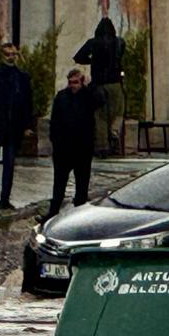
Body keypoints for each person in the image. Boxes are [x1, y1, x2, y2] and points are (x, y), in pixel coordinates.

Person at [0, 42, 34, 210]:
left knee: (9, 164)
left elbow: (27, 104)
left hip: (13, 126)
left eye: (13, 54)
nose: (11, 57)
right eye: (8, 54)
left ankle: (4, 199)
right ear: (1, 56)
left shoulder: (22, 77)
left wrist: (27, 125)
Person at [45, 69, 104, 220]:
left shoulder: (88, 96)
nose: (73, 86)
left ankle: (79, 216)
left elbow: (100, 101)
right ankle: (53, 213)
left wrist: (91, 85)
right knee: (59, 183)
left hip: (82, 147)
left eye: (76, 82)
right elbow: (55, 120)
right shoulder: (62, 96)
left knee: (82, 184)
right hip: (63, 148)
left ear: (81, 82)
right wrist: (55, 141)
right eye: (71, 82)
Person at [73, 18, 125, 157]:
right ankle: (114, 134)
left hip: (99, 84)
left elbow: (78, 57)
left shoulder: (93, 43)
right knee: (118, 112)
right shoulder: (119, 42)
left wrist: (93, 61)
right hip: (115, 83)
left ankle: (102, 147)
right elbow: (121, 56)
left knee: (100, 116)